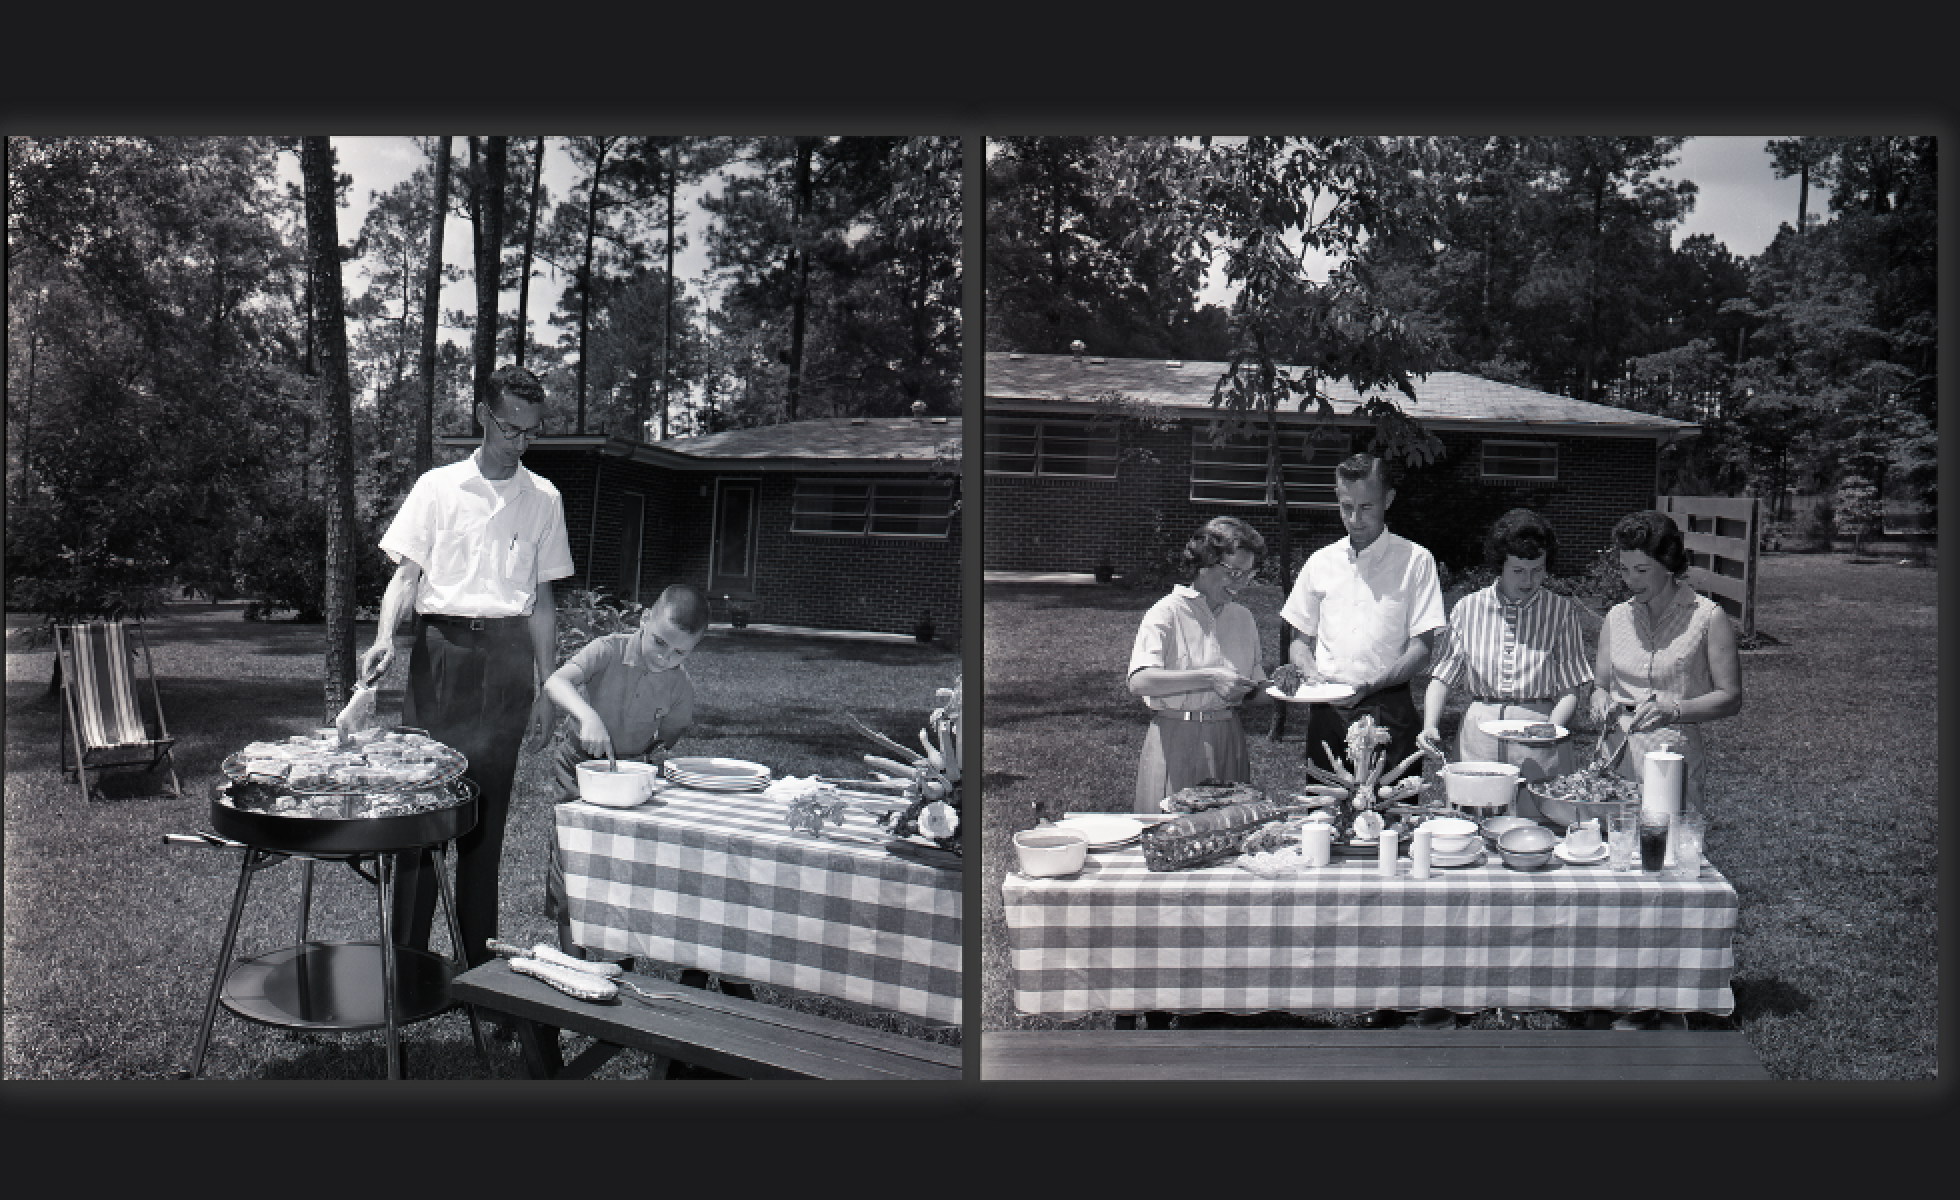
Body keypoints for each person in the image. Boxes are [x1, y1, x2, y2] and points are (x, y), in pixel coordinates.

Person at [361, 364, 574, 970]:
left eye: (532, 433)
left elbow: (542, 605)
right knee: (420, 813)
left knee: (483, 825)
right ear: (484, 415)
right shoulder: (437, 487)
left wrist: (544, 689)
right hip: (440, 658)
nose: (520, 443)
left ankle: (480, 973)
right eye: (511, 429)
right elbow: (406, 577)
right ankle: (405, 963)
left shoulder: (544, 499)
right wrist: (384, 639)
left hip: (506, 666)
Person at [1588, 510, 1744, 1032]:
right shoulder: (1616, 618)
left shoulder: (1708, 618)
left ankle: (1656, 994)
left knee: (1663, 877)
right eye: (1625, 570)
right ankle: (1607, 984)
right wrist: (1600, 700)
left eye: (1641, 572)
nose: (1630, 582)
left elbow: (1729, 698)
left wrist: (1676, 708)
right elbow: (1602, 682)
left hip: (1672, 762)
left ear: (1670, 566)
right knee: (1614, 874)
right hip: (1616, 760)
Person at [542, 583, 708, 957]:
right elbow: (556, 681)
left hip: (630, 777)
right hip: (578, 769)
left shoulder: (680, 687)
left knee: (624, 866)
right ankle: (573, 960)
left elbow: (669, 736)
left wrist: (650, 760)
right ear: (645, 619)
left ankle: (618, 955)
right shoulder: (608, 649)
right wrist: (587, 716)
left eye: (680, 652)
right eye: (660, 642)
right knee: (572, 862)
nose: (665, 658)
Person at [1279, 454, 1447, 780]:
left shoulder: (1415, 561)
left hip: (1390, 711)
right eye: (1346, 506)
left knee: (1392, 824)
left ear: (1388, 499)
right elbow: (1299, 642)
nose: (1355, 518)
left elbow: (1422, 649)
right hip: (1327, 713)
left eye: (1366, 507)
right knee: (1324, 821)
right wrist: (1309, 670)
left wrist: (1371, 685)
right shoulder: (1320, 562)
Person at [1419, 509, 1593, 783]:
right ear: (1499, 565)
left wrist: (1550, 730)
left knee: (1537, 820)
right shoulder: (1468, 608)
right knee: (1477, 814)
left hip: (1540, 734)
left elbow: (1570, 689)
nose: (1528, 580)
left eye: (1537, 570)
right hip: (1479, 736)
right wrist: (1430, 724)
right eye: (1518, 571)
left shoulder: (1561, 612)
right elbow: (1442, 677)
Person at [1127, 517, 1267, 814]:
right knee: (1172, 836)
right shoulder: (1166, 612)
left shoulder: (1242, 618)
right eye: (1233, 573)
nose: (1240, 584)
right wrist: (1209, 678)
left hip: (1229, 736)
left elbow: (1256, 690)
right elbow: (1140, 681)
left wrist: (1293, 686)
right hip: (1176, 737)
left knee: (1230, 838)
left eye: (1248, 575)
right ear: (1204, 564)